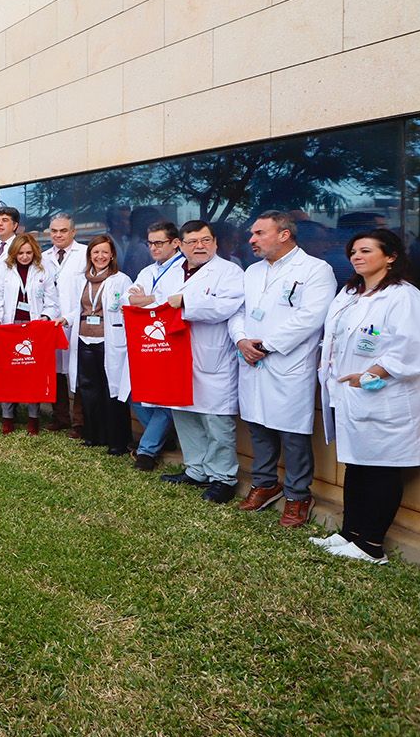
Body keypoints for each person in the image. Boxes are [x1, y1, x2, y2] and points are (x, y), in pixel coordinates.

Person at [313, 230, 420, 564]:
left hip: (385, 397)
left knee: (382, 469)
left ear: (391, 256)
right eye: (353, 251)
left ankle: (371, 545)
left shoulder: (404, 297)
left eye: (366, 250)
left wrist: (374, 373)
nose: (356, 256)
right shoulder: (350, 293)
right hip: (350, 395)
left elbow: (412, 347)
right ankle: (349, 534)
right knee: (357, 465)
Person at [230, 210, 337, 528]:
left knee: (293, 434)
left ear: (284, 234)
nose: (251, 239)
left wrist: (265, 345)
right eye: (252, 234)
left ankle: (298, 495)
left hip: (288, 363)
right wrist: (240, 340)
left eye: (259, 233)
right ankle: (264, 484)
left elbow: (311, 317)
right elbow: (238, 311)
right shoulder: (251, 272)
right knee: (258, 427)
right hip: (251, 359)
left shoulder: (316, 270)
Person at [152, 221, 248, 501]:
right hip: (177, 356)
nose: (200, 246)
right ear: (180, 245)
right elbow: (159, 305)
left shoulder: (230, 272)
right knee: (185, 416)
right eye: (192, 241)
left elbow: (224, 307)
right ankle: (196, 470)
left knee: (216, 422)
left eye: (205, 240)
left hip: (213, 357)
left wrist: (184, 303)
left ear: (215, 243)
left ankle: (223, 478)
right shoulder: (171, 273)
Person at [58, 236, 133, 454]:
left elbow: (125, 308)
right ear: (89, 256)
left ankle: (117, 441)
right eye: (95, 253)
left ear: (112, 255)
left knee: (112, 391)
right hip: (84, 340)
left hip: (109, 342)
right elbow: (79, 309)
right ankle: (92, 435)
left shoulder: (121, 280)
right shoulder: (83, 279)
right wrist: (66, 319)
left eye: (104, 252)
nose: (100, 257)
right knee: (89, 390)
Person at [126, 221, 187, 471]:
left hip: (171, 341)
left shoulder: (185, 268)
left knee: (166, 399)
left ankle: (147, 451)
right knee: (134, 394)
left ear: (175, 243)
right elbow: (132, 298)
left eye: (159, 243)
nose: (153, 248)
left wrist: (148, 299)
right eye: (150, 243)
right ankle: (163, 436)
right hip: (146, 341)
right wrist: (155, 299)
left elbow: (176, 302)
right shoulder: (148, 270)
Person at [0, 233, 59, 435]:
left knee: (32, 375)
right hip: (9, 328)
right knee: (8, 374)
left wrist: (46, 317)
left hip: (34, 327)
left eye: (29, 253)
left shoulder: (43, 268)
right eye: (20, 253)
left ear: (35, 252)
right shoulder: (3, 269)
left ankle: (33, 418)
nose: (24, 257)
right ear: (14, 253)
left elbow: (52, 300)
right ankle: (7, 417)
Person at [44, 213, 88, 435]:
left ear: (73, 232)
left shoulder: (84, 255)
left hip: (77, 320)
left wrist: (70, 315)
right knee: (55, 371)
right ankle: (60, 416)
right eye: (54, 231)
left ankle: (79, 422)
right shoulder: (43, 258)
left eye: (63, 231)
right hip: (51, 323)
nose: (58, 235)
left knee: (77, 371)